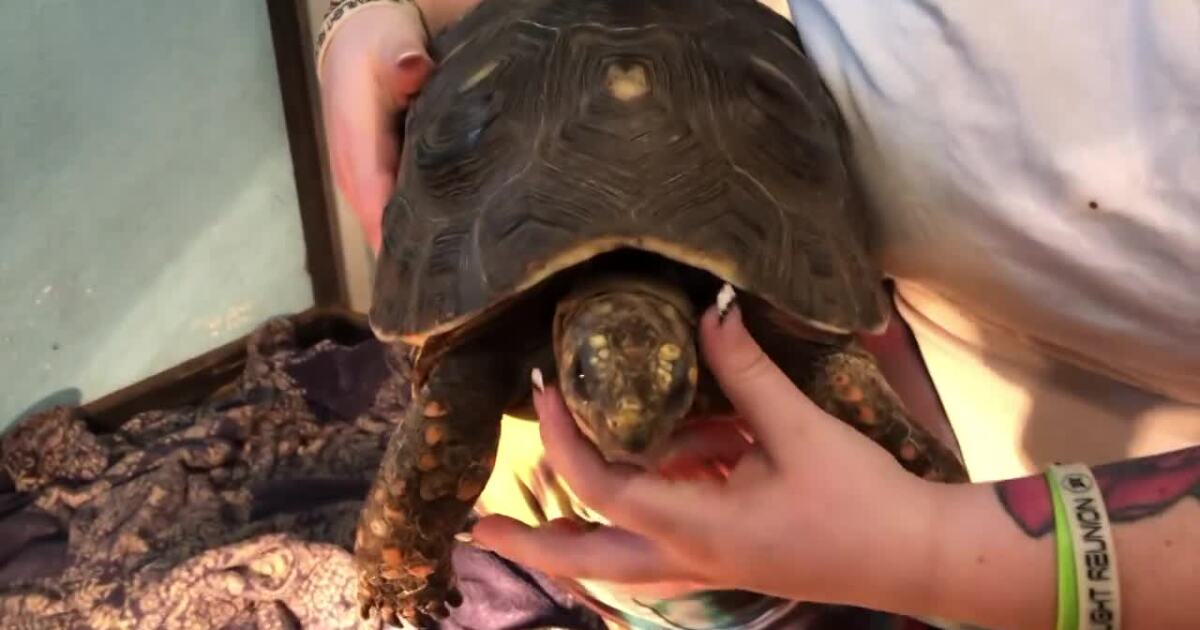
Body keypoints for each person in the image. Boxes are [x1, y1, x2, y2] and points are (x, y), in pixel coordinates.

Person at [314, 1, 1200, 628]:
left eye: (660, 384)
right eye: (596, 383)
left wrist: (935, 540)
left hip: (1072, 521)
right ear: (558, 343)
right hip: (934, 382)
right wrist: (377, 11)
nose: (628, 418)